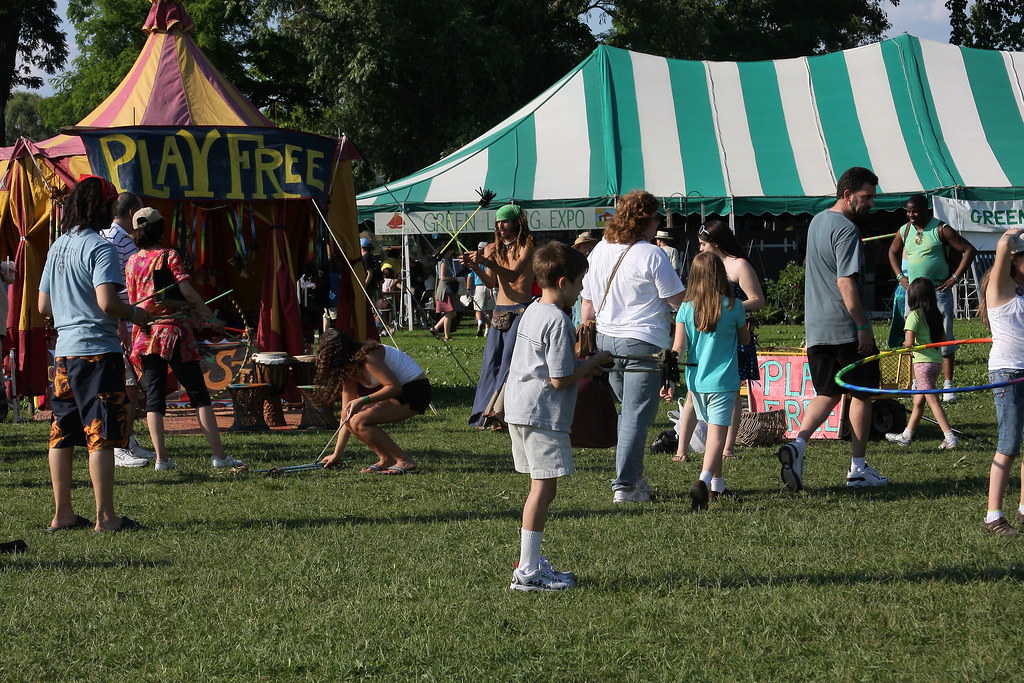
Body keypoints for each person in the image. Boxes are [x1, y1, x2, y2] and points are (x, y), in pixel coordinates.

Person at [38, 176, 151, 532]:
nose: (113, 209)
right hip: (97, 354)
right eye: (110, 204)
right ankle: (106, 517)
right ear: (98, 206)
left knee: (62, 433)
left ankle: (63, 514)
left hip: (64, 354)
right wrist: (135, 313)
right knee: (100, 435)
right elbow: (107, 302)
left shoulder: (57, 246)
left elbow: (44, 305)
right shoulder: (100, 249)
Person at [505, 242, 612, 591]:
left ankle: (530, 562)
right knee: (543, 490)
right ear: (564, 282)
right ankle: (528, 571)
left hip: (520, 410)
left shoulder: (534, 309)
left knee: (540, 488)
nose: (582, 289)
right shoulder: (557, 320)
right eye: (580, 282)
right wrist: (595, 362)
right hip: (541, 415)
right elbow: (559, 377)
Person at [776, 167, 887, 491]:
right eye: (865, 198)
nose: (870, 204)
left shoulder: (817, 222)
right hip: (844, 328)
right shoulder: (847, 229)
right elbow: (845, 281)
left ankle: (798, 445)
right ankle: (857, 468)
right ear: (847, 194)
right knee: (863, 394)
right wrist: (863, 326)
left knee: (828, 392)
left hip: (817, 329)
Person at [580, 190, 685, 503]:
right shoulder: (651, 254)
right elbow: (678, 300)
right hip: (642, 341)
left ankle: (635, 480)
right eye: (655, 218)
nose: (658, 224)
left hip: (606, 341)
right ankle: (624, 486)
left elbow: (587, 305)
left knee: (630, 414)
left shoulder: (598, 250)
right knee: (635, 417)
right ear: (643, 220)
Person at [125, 207, 243, 472]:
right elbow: (187, 291)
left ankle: (161, 459)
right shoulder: (169, 255)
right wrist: (210, 317)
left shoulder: (132, 262)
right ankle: (218, 455)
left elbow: (143, 299)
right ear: (160, 229)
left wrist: (187, 310)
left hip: (145, 334)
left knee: (154, 398)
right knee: (199, 395)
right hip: (173, 333)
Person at [672, 220, 765, 463]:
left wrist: (723, 312)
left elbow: (757, 299)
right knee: (694, 394)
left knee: (733, 394)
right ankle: (682, 448)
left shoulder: (739, 265)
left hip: (732, 335)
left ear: (715, 242)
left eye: (703, 244)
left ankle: (728, 447)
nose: (701, 249)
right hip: (711, 333)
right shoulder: (707, 267)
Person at [667, 252, 749, 510]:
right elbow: (745, 340)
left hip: (696, 381)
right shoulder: (733, 306)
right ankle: (702, 482)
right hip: (724, 381)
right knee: (717, 437)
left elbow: (677, 348)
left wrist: (668, 377)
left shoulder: (685, 309)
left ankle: (718, 485)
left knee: (714, 432)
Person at [888, 194, 976, 401]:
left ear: (926, 210)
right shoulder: (905, 230)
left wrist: (955, 277)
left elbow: (969, 250)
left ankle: (948, 385)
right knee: (913, 335)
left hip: (939, 290)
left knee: (944, 334)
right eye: (908, 212)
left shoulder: (941, 229)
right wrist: (900, 276)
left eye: (915, 211)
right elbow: (892, 252)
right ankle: (916, 381)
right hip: (915, 293)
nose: (911, 215)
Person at [462, 204, 536, 428]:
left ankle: (499, 412)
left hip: (520, 309)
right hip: (499, 310)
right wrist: (475, 266)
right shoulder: (492, 248)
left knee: (508, 364)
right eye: (498, 222)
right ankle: (483, 413)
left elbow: (513, 275)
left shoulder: (527, 245)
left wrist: (485, 261)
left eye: (505, 221)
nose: (500, 225)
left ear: (517, 222)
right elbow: (491, 282)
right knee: (491, 364)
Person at [317, 330, 431, 474]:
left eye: (323, 352)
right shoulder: (346, 368)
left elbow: (394, 387)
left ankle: (405, 461)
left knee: (359, 420)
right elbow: (345, 415)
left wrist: (363, 400)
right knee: (350, 416)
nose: (320, 357)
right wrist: (337, 454)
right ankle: (386, 459)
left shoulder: (368, 356)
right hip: (402, 391)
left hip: (416, 391)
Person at [100, 191, 157, 468]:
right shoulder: (113, 240)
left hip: (130, 320)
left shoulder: (123, 241)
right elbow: (113, 288)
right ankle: (118, 444)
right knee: (126, 384)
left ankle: (127, 438)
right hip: (119, 323)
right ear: (132, 211)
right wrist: (122, 322)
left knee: (132, 384)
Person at [976, 228, 1024, 535]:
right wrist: (1015, 232)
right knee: (1008, 445)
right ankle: (993, 516)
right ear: (1016, 261)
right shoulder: (1000, 288)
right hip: (1007, 374)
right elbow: (1003, 244)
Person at [884, 278, 958, 449]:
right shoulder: (936, 315)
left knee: (932, 401)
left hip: (922, 365)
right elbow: (943, 340)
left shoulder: (914, 315)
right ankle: (906, 436)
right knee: (919, 401)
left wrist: (904, 345)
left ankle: (949, 437)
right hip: (936, 363)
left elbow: (909, 342)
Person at [429, 246, 460, 341]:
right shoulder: (444, 262)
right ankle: (447, 336)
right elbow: (443, 277)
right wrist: (456, 279)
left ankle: (435, 328)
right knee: (449, 313)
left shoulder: (447, 261)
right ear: (448, 251)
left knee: (452, 313)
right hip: (444, 290)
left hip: (448, 289)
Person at [468, 241, 495, 337]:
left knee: (478, 308)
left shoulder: (475, 260)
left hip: (479, 286)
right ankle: (487, 331)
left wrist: (468, 289)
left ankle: (480, 322)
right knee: (489, 310)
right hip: (490, 286)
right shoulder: (490, 259)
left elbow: (470, 276)